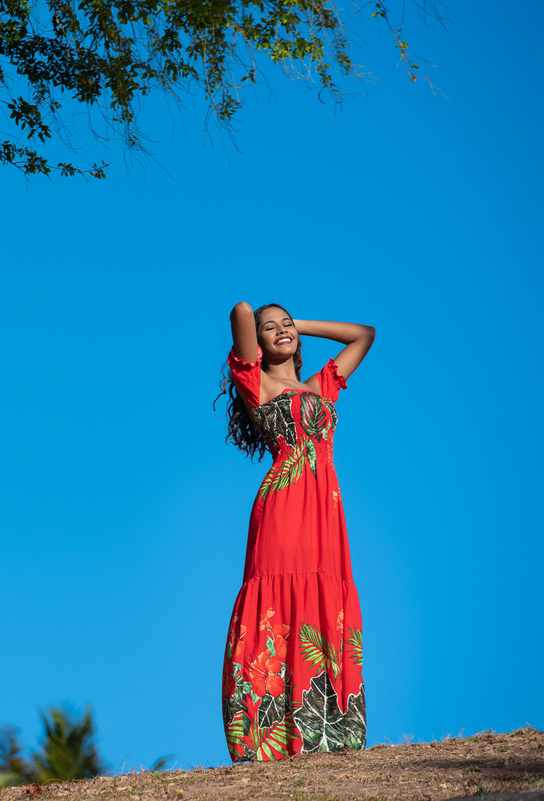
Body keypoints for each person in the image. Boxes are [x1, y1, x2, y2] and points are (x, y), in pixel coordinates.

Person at [218, 302, 376, 762]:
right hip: (284, 507)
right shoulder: (256, 383)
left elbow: (363, 335)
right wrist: (263, 321)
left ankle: (328, 730)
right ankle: (266, 735)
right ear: (257, 343)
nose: (279, 331)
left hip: (326, 513)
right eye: (269, 329)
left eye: (285, 325)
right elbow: (241, 311)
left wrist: (296, 323)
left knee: (326, 600)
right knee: (278, 602)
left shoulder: (322, 387)